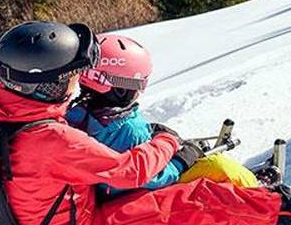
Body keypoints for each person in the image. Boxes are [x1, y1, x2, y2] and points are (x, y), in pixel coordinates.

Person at [0, 21, 291, 225]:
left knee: (196, 185)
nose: (78, 81)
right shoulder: (49, 138)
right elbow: (133, 172)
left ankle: (261, 194)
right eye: (69, 76)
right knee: (196, 198)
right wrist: (170, 142)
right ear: (44, 86)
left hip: (30, 221)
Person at [68, 31, 267, 194]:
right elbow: (152, 177)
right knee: (219, 166)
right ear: (122, 87)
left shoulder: (75, 115)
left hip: (103, 192)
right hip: (133, 198)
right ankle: (257, 193)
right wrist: (182, 160)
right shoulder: (128, 130)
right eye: (140, 83)